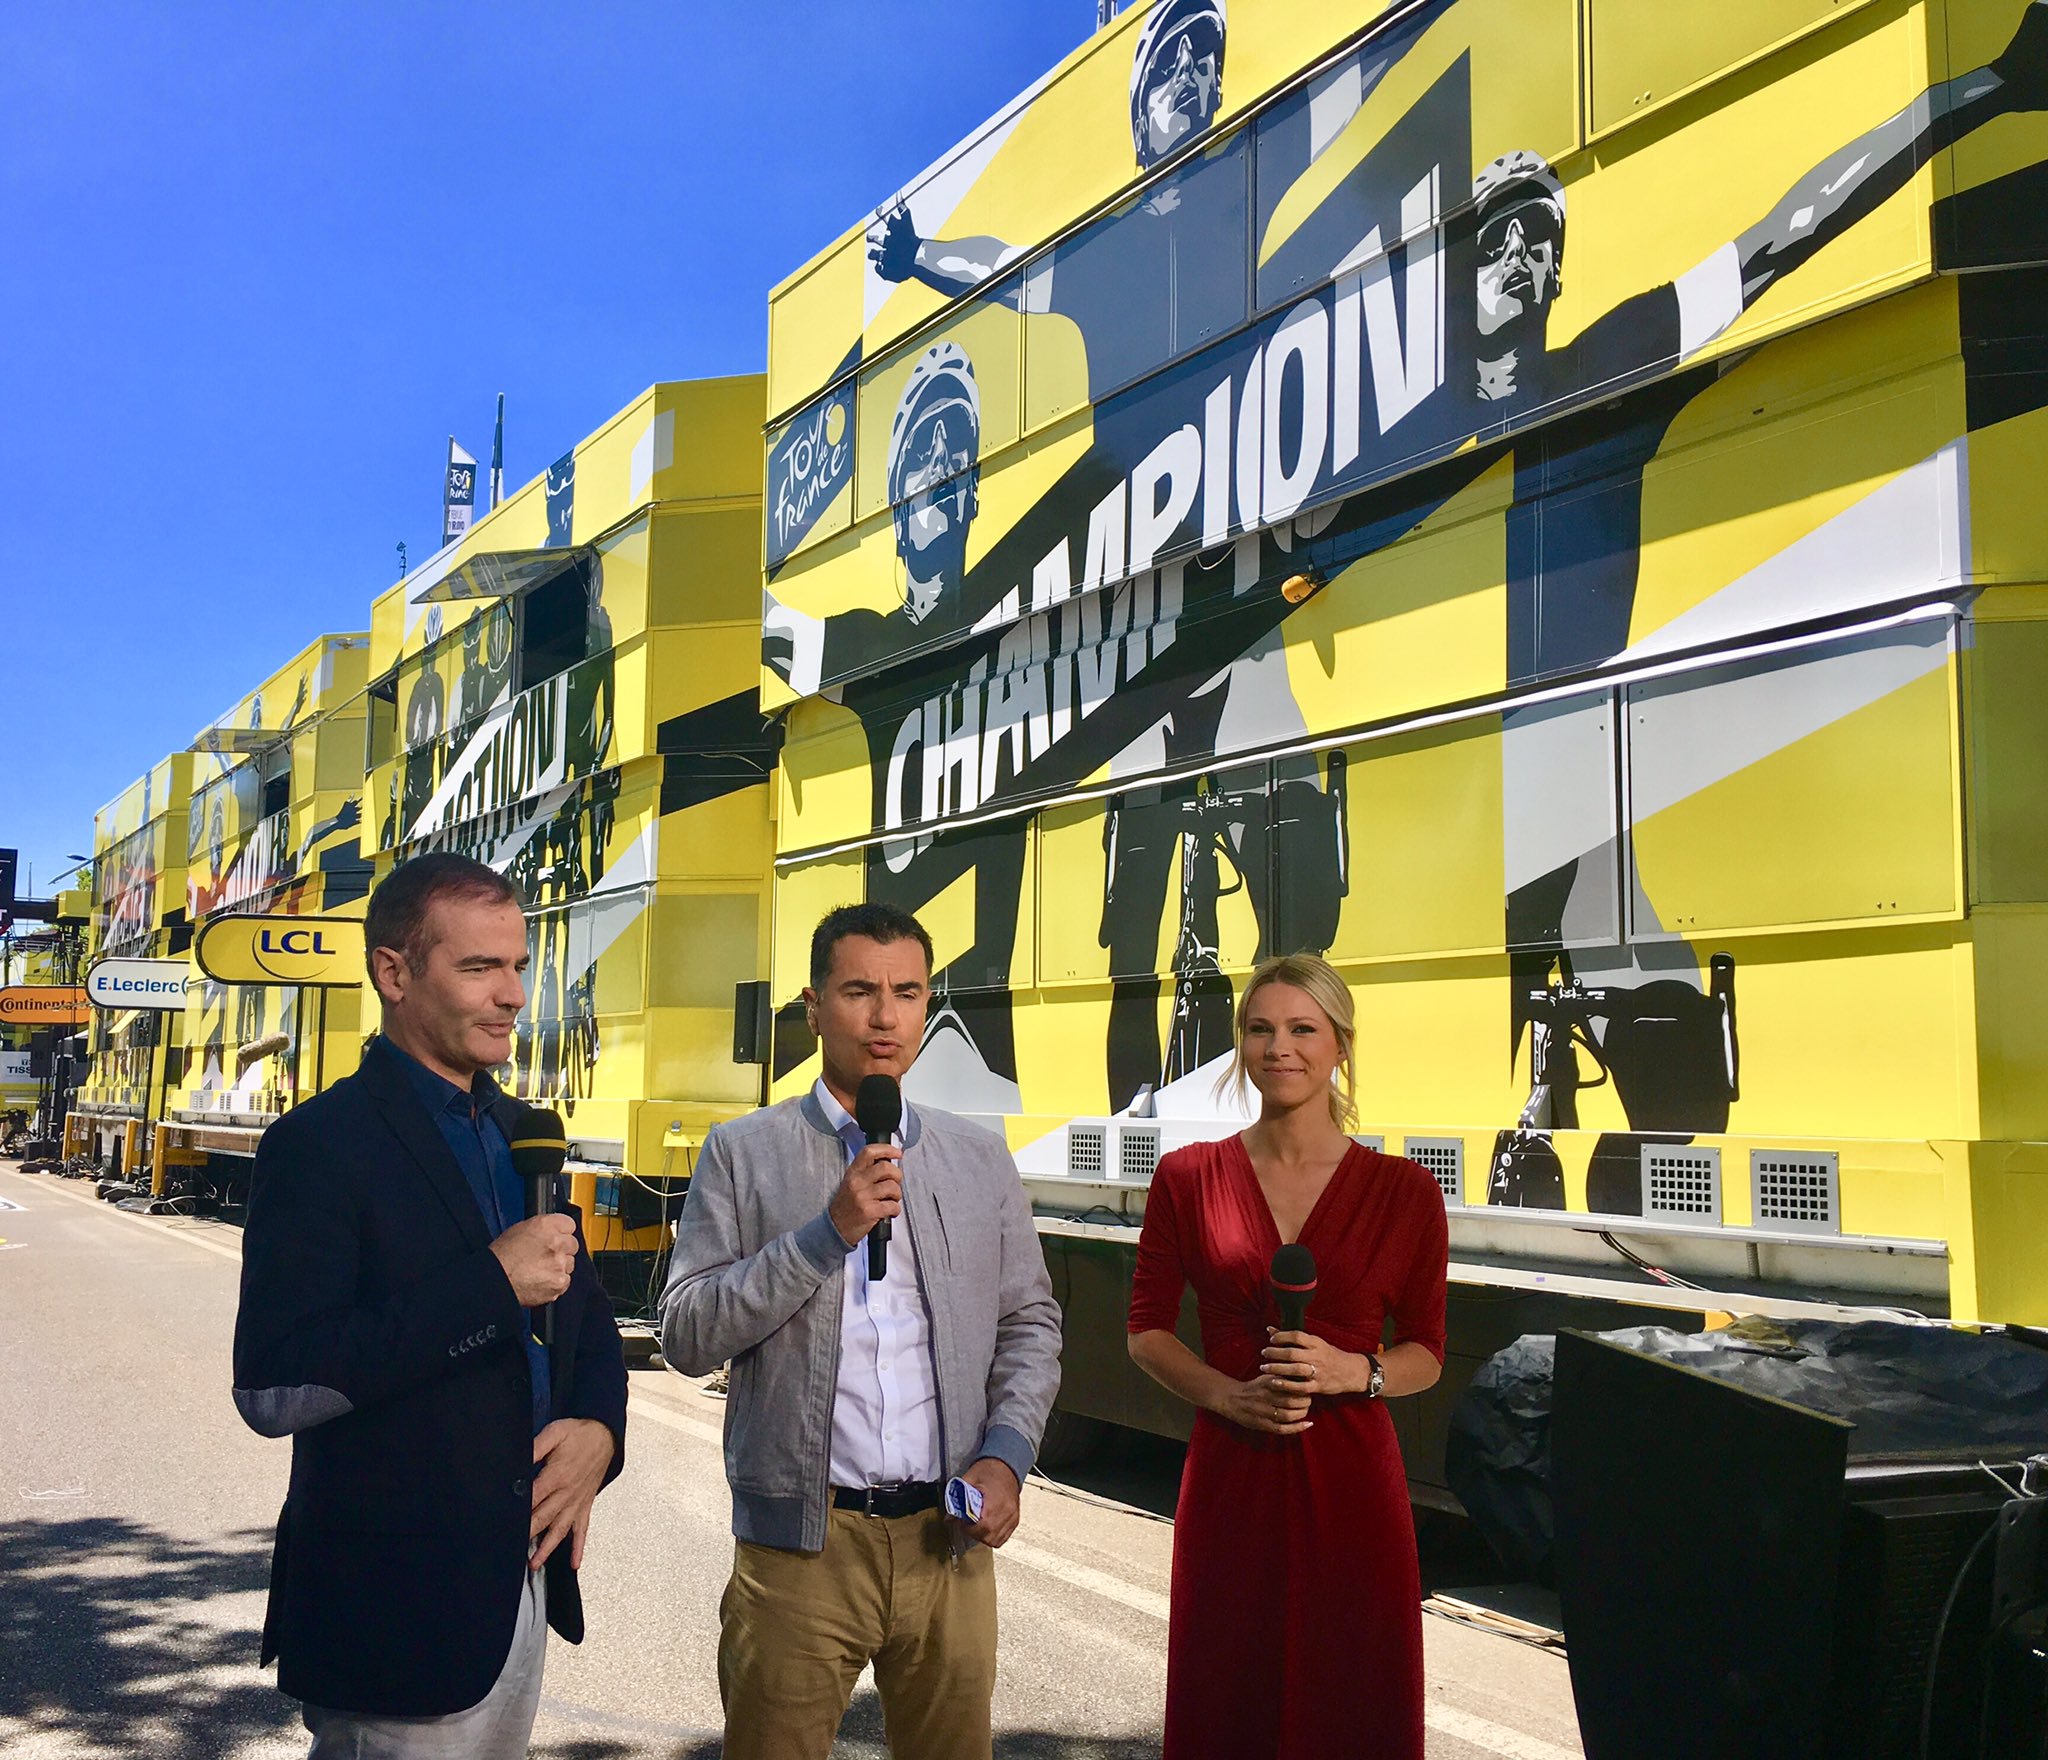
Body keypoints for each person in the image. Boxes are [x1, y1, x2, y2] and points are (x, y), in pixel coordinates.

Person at [232, 851, 628, 1758]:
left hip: (519, 1596)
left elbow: (588, 1326)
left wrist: (601, 1432)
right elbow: (276, 1388)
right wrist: (490, 1285)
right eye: (479, 968)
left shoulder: (526, 1135)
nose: (514, 996)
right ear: (395, 973)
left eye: (521, 966)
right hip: (393, 1616)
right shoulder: (317, 1146)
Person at [659, 901, 1062, 1760]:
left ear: (927, 1004)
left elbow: (1029, 1320)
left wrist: (1007, 1452)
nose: (885, 1016)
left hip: (947, 1544)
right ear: (813, 1007)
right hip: (803, 1549)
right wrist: (825, 1233)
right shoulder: (743, 1152)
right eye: (859, 991)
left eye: (907, 992)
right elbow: (686, 1333)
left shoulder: (975, 1156)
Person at [1127, 952, 1448, 1759]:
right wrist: (1227, 1397)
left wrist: (1359, 1371)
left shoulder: (1407, 1192)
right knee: (1227, 1687)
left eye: (1303, 1029)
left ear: (1339, 1044)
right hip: (1231, 1473)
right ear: (1240, 1044)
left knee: (1351, 1693)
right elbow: (1147, 1332)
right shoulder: (1187, 1177)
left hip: (1354, 1485)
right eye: (1260, 1029)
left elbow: (1429, 1353)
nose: (1280, 1049)